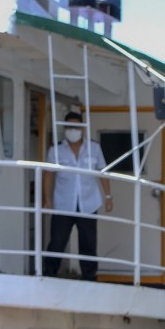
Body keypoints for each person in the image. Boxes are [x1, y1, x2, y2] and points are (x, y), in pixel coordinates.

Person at [42, 112, 112, 280]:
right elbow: (49, 175)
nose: (73, 130)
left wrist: (108, 197)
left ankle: (89, 277)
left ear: (82, 128)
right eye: (69, 127)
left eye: (76, 126)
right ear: (65, 128)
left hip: (88, 204)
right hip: (63, 205)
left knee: (88, 243)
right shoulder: (56, 150)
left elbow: (102, 172)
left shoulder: (94, 148)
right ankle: (49, 275)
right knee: (57, 242)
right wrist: (47, 199)